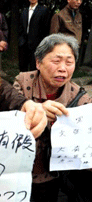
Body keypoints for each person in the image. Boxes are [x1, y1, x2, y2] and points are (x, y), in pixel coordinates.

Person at [13, 33, 92, 202]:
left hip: (56, 177)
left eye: (69, 62)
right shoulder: (22, 82)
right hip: (20, 173)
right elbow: (11, 118)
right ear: (38, 62)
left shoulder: (79, 96)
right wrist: (38, 112)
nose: (63, 68)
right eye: (56, 61)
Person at [18, 0, 50, 72]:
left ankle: (34, 84)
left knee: (34, 67)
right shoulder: (24, 11)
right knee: (23, 66)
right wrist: (21, 41)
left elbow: (45, 29)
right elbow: (21, 28)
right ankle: (23, 84)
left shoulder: (43, 10)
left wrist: (42, 44)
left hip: (36, 44)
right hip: (24, 44)